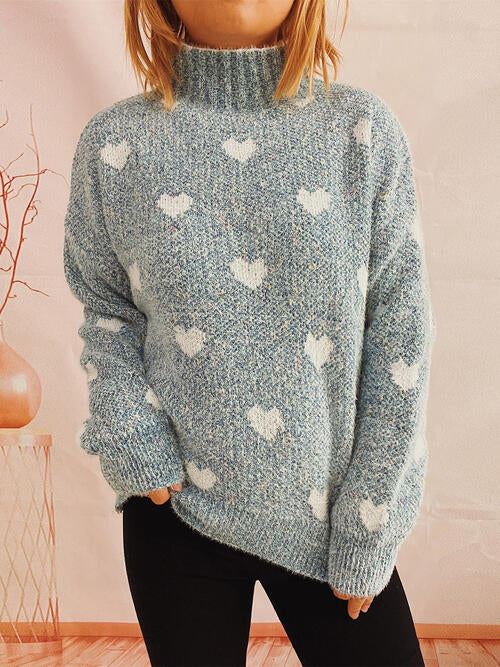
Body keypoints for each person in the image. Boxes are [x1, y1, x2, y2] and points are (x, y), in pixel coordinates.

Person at [63, 0, 436, 664]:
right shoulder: (114, 148)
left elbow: (400, 335)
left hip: (332, 518)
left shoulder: (361, 133)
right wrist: (130, 434)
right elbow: (106, 309)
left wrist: (372, 513)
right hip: (175, 510)